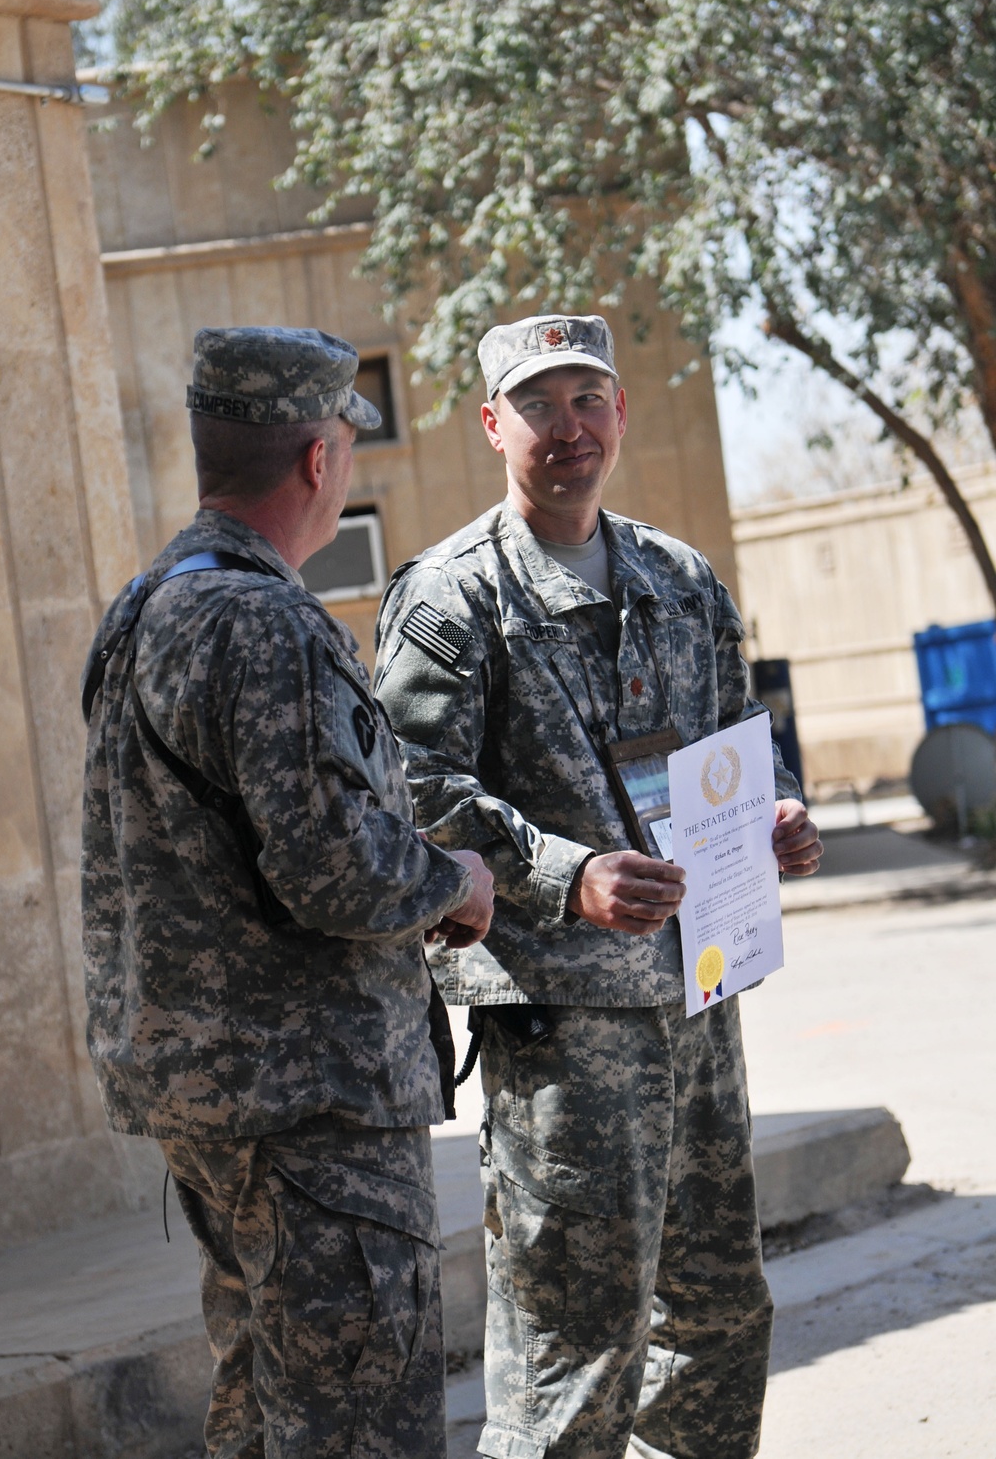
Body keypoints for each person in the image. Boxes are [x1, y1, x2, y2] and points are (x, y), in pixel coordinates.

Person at [374, 313, 822, 1459]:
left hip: (701, 994)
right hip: (567, 1028)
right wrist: (563, 875)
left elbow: (736, 736)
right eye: (538, 405)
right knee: (576, 1342)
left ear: (619, 412)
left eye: (586, 399)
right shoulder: (450, 600)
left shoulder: (680, 578)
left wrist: (772, 808)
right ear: (492, 425)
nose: (566, 428)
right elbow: (411, 790)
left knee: (719, 1314)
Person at [80, 326, 494, 1459]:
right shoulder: (263, 622)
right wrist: (455, 878)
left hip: (218, 1096)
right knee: (359, 1415)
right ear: (320, 459)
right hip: (308, 1101)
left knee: (266, 1403)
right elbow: (335, 869)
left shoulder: (147, 608)